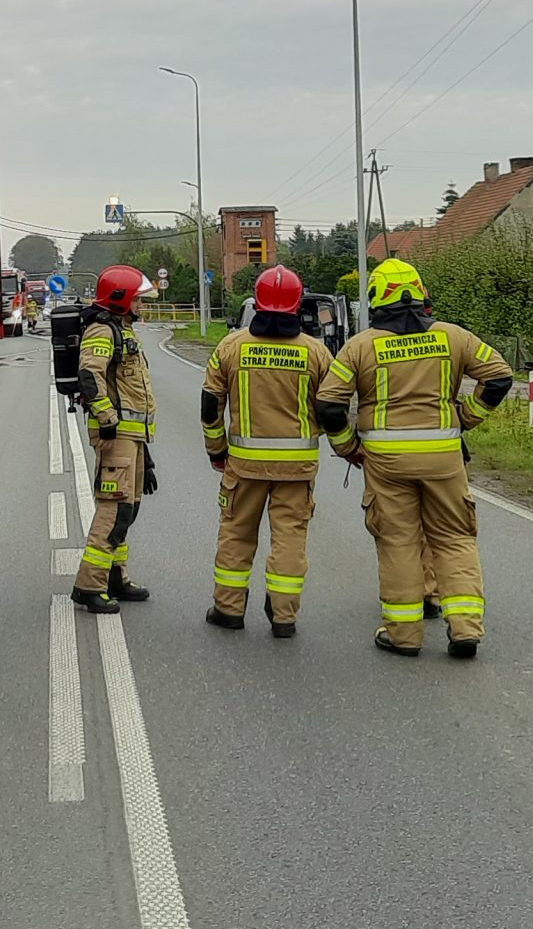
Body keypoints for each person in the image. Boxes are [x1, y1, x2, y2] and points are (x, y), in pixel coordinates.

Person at [315, 257, 514, 659]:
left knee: (399, 542)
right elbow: (499, 377)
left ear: (376, 299)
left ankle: (404, 636)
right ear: (421, 294)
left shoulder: (360, 347)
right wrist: (466, 418)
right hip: (444, 459)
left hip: (386, 463)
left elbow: (329, 404)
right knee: (455, 538)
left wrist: (347, 446)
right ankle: (465, 629)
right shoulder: (453, 337)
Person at [200, 266, 344, 638]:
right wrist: (344, 446)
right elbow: (332, 406)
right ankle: (284, 616)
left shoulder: (230, 347)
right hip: (297, 469)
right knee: (290, 539)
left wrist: (217, 450)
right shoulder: (316, 352)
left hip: (244, 466)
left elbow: (210, 405)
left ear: (258, 301)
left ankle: (229, 609)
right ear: (298, 303)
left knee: (236, 534)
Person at [71, 264, 157, 615]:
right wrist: (106, 419)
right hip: (116, 435)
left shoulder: (121, 329)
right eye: (137, 298)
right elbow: (89, 374)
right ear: (121, 298)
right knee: (114, 509)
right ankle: (89, 586)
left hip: (131, 437)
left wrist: (145, 457)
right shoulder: (102, 330)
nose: (141, 305)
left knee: (128, 508)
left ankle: (115, 576)